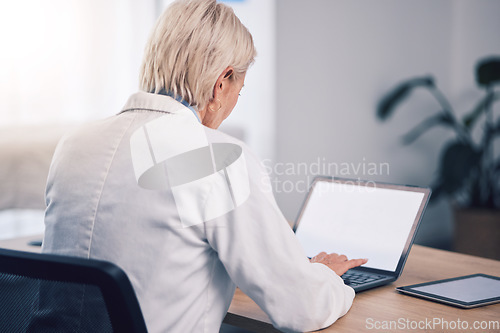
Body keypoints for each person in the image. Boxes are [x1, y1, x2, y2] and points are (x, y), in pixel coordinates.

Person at [41, 0, 367, 332]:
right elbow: (302, 308)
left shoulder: (73, 144)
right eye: (240, 88)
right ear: (222, 82)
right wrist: (323, 274)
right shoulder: (218, 158)